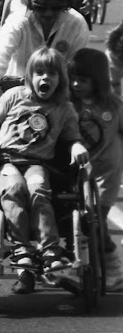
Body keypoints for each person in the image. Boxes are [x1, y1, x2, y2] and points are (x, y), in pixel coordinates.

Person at [0, 46, 90, 294]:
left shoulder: (64, 108)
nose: (45, 78)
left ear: (60, 79)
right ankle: (22, 249)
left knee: (38, 188)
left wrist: (75, 148)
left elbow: (73, 139)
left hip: (37, 163)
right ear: (30, 75)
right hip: (6, 159)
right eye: (39, 72)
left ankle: (50, 251)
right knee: (14, 187)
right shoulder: (14, 95)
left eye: (51, 74)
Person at [0, 0, 89, 104]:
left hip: (58, 100)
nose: (48, 13)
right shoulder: (19, 19)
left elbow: (77, 67)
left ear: (67, 5)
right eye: (41, 7)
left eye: (56, 8)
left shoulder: (77, 23)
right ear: (30, 4)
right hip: (16, 98)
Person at [68, 48, 123, 291]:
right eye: (74, 79)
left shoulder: (113, 105)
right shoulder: (70, 105)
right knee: (81, 221)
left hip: (106, 172)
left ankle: (114, 267)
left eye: (84, 80)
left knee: (96, 220)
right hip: (79, 171)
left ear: (98, 81)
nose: (77, 84)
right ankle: (83, 267)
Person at [105, 22, 123, 96]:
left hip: (115, 54)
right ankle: (116, 102)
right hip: (115, 56)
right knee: (114, 82)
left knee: (115, 82)